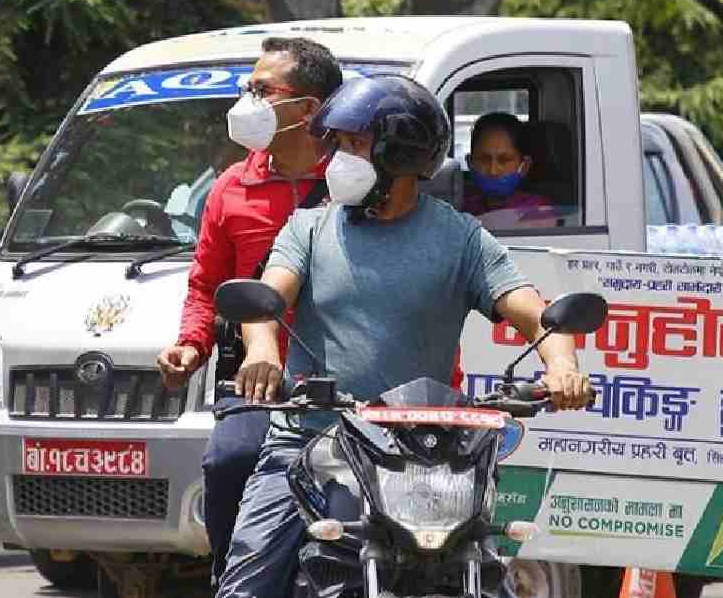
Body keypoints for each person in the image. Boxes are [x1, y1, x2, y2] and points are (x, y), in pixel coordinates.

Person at [216, 75, 594, 598]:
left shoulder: (459, 237)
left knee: (485, 575)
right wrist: (262, 352)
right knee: (246, 589)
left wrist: (562, 367)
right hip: (313, 443)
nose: (338, 159)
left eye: (354, 145)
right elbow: (267, 299)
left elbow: (539, 315)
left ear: (402, 155)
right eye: (338, 144)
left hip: (427, 458)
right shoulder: (308, 228)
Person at [155, 37, 343, 584]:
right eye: (247, 89)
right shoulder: (230, 188)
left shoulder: (357, 184)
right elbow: (206, 287)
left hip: (349, 381)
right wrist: (190, 346)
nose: (247, 102)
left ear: (307, 109)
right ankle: (231, 578)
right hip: (260, 385)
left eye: (262, 91)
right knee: (230, 462)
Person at [462, 112, 552, 218]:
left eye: (504, 160)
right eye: (484, 160)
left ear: (525, 166)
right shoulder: (463, 208)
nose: (493, 171)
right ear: (469, 163)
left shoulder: (537, 210)